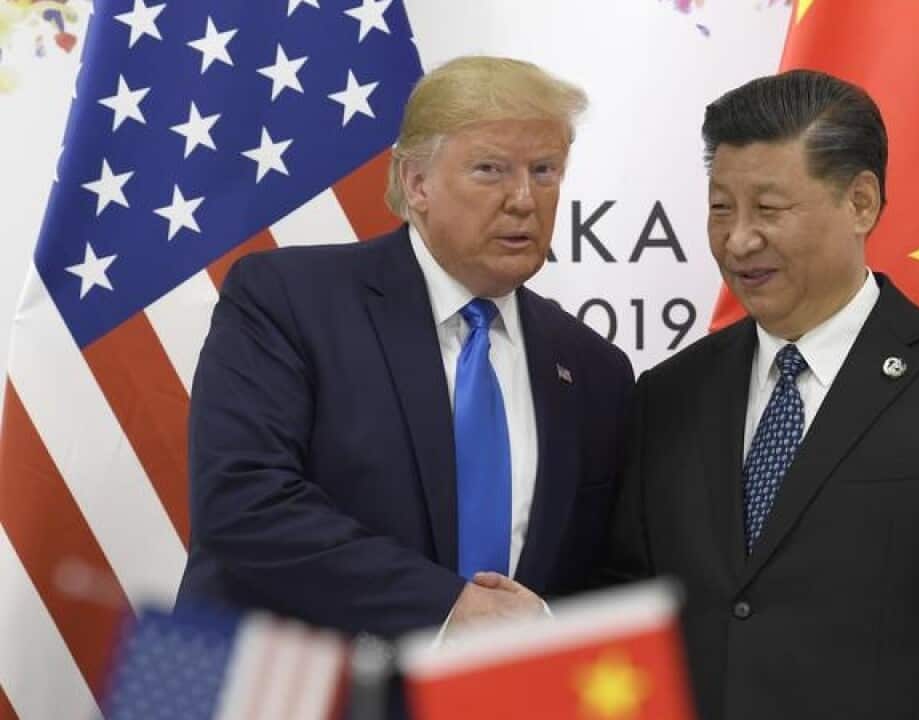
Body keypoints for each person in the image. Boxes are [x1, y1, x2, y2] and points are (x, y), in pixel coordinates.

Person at [607, 69, 919, 719]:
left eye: (769, 209)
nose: (738, 239)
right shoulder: (669, 394)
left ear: (861, 202)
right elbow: (632, 628)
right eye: (722, 207)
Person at [177, 56, 634, 639]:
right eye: (491, 170)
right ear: (417, 184)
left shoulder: (595, 369)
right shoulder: (288, 300)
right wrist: (448, 608)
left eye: (544, 171)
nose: (524, 199)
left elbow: (602, 568)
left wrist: (541, 624)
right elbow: (242, 502)